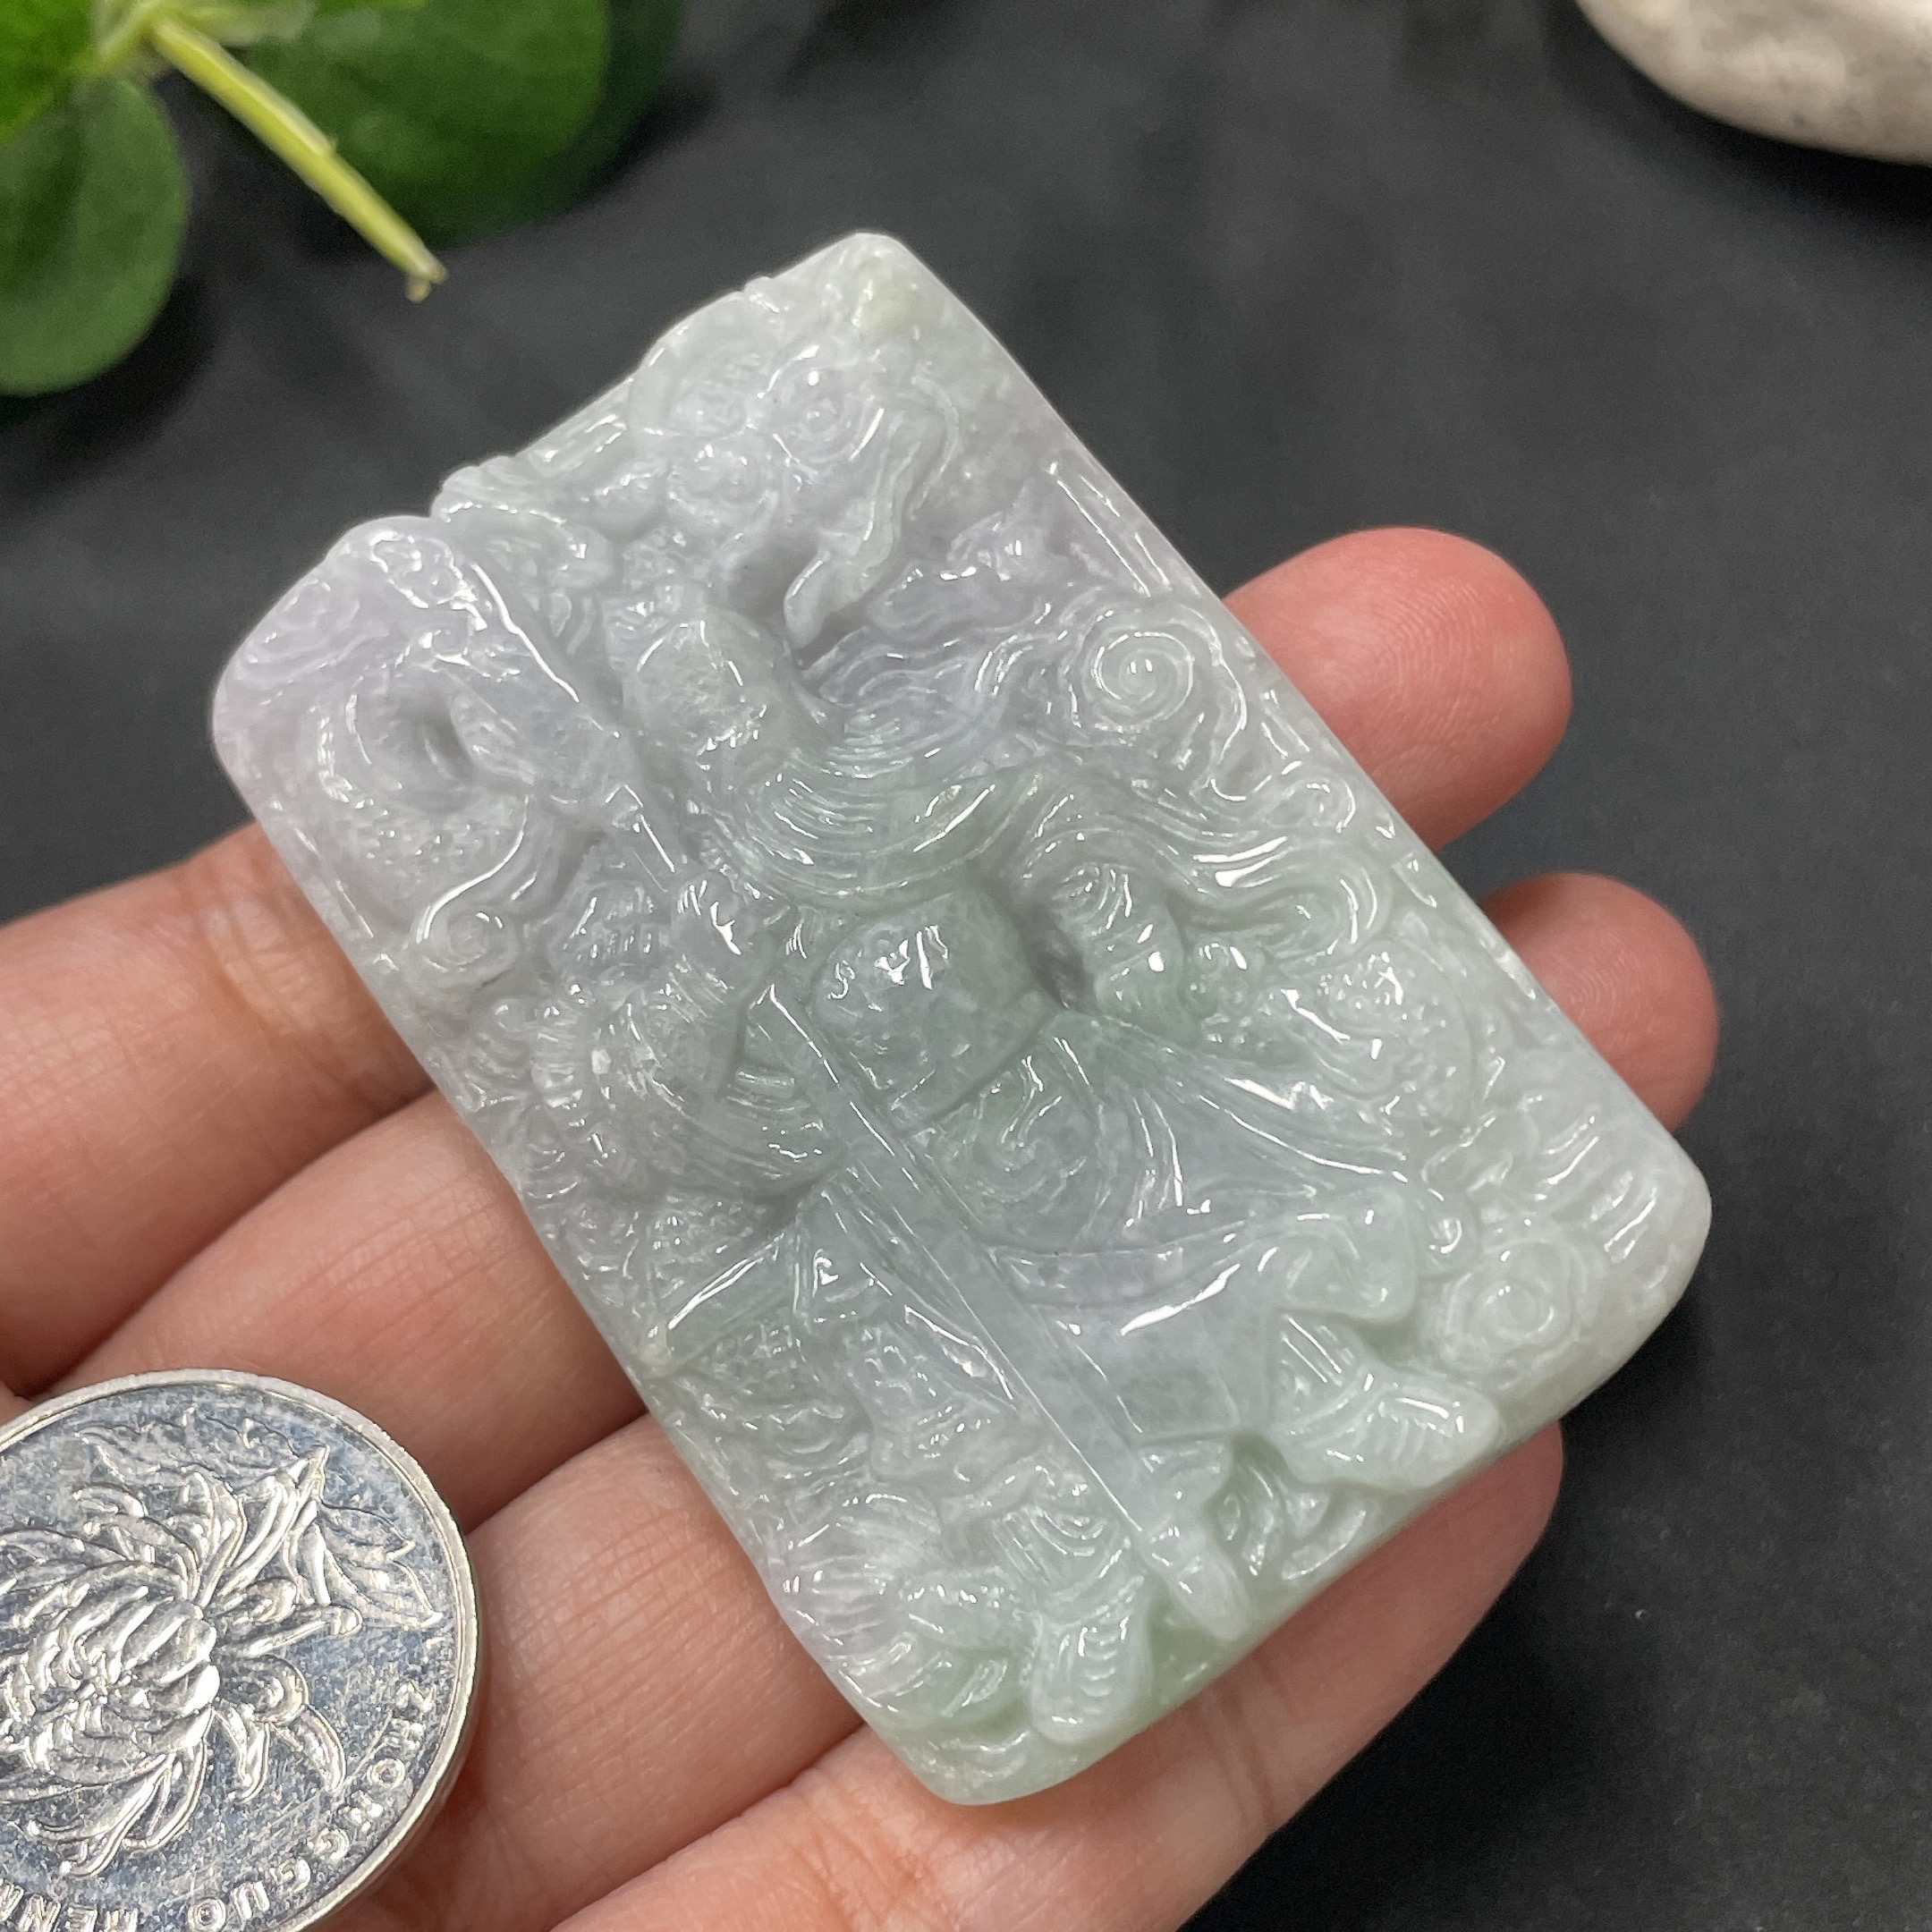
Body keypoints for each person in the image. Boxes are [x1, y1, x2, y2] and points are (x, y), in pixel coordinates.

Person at [0, 527, 1716, 1932]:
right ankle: (1120, 1546)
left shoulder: (889, 782)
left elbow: (1048, 831)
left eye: (722, 684)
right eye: (679, 712)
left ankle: (1328, 1387)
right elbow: (662, 1118)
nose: (718, 723)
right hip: (904, 1219)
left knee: (1231, 1248)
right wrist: (704, 1059)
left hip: (1069, 1108)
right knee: (962, 1398)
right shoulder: (677, 923)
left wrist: (1127, 941)